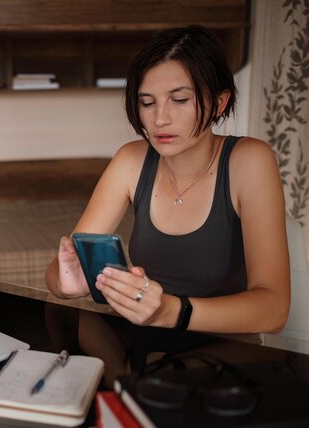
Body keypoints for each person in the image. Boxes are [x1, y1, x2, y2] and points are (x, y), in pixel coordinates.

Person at [45, 25, 290, 368]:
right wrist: (66, 283)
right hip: (146, 344)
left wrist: (171, 311)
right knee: (58, 314)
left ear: (219, 102)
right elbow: (61, 269)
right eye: (147, 102)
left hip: (223, 358)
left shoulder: (249, 160)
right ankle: (125, 382)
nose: (160, 118)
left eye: (180, 99)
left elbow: (274, 309)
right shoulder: (131, 160)